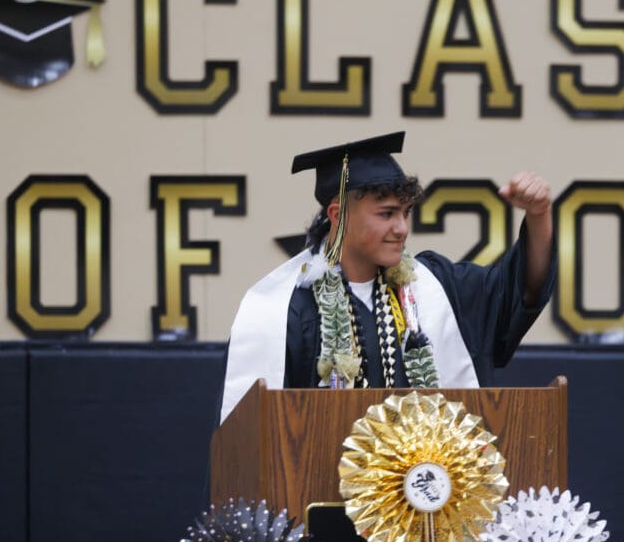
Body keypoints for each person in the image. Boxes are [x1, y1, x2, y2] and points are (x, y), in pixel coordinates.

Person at [219, 131, 554, 423]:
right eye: (387, 214)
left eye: (405, 213)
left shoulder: (434, 288)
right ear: (339, 215)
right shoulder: (283, 309)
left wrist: (538, 217)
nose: (402, 228)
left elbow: (519, 289)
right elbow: (253, 440)